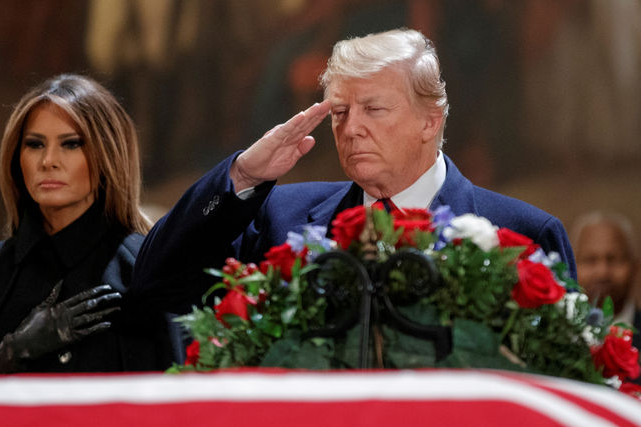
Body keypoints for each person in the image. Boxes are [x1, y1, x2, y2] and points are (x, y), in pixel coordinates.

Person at [133, 28, 576, 317]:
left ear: (430, 120)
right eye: (340, 111)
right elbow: (155, 285)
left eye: (374, 109)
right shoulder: (281, 218)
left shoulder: (522, 234)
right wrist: (243, 176)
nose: (351, 128)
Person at [0, 74, 176, 375]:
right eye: (34, 144)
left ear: (107, 155)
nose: (49, 161)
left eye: (70, 144)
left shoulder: (143, 269)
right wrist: (11, 353)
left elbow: (177, 405)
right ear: (17, 158)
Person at [571, 211, 640, 350]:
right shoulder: (552, 335)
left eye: (614, 259)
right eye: (590, 260)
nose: (603, 273)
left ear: (635, 267)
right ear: (571, 265)